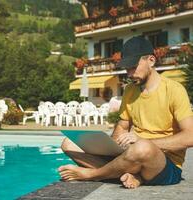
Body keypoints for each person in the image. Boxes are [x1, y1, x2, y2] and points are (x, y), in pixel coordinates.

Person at [58, 36, 193, 189]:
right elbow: (122, 126)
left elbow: (190, 136)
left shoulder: (174, 90)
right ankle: (130, 175)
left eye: (133, 67)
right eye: (127, 68)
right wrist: (113, 145)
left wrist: (143, 142)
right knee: (69, 144)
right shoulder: (130, 90)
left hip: (164, 164)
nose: (129, 73)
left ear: (151, 60)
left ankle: (92, 174)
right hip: (131, 156)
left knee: (143, 148)